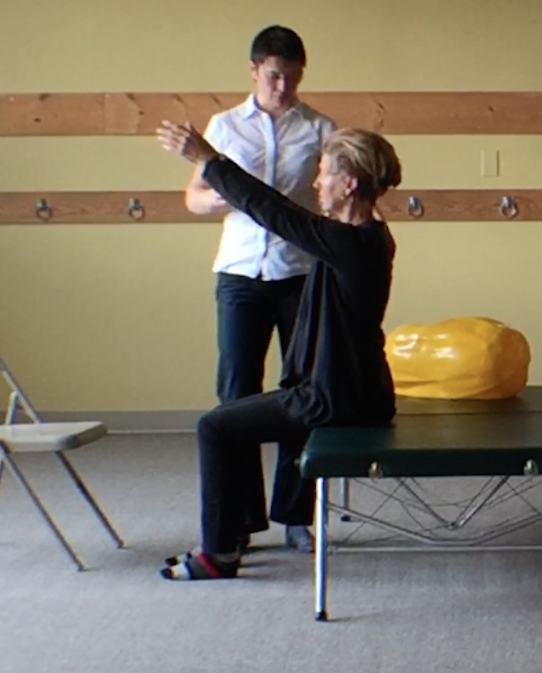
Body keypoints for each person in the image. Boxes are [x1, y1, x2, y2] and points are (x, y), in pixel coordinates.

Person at [155, 119, 402, 580]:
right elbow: (284, 211)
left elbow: (274, 211)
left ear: (349, 184)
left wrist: (208, 160)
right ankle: (227, 540)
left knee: (215, 426)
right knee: (236, 418)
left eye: (325, 172)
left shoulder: (351, 244)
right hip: (353, 390)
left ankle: (217, 553)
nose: (316, 182)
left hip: (336, 398)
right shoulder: (361, 237)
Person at [185, 25, 337, 552]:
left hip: (300, 273)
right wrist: (235, 195)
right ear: (254, 72)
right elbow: (195, 200)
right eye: (275, 76)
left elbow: (330, 198)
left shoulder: (320, 128)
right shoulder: (223, 128)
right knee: (236, 396)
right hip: (240, 275)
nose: (283, 87)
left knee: (303, 394)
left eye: (293, 78)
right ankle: (243, 519)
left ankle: (297, 515)